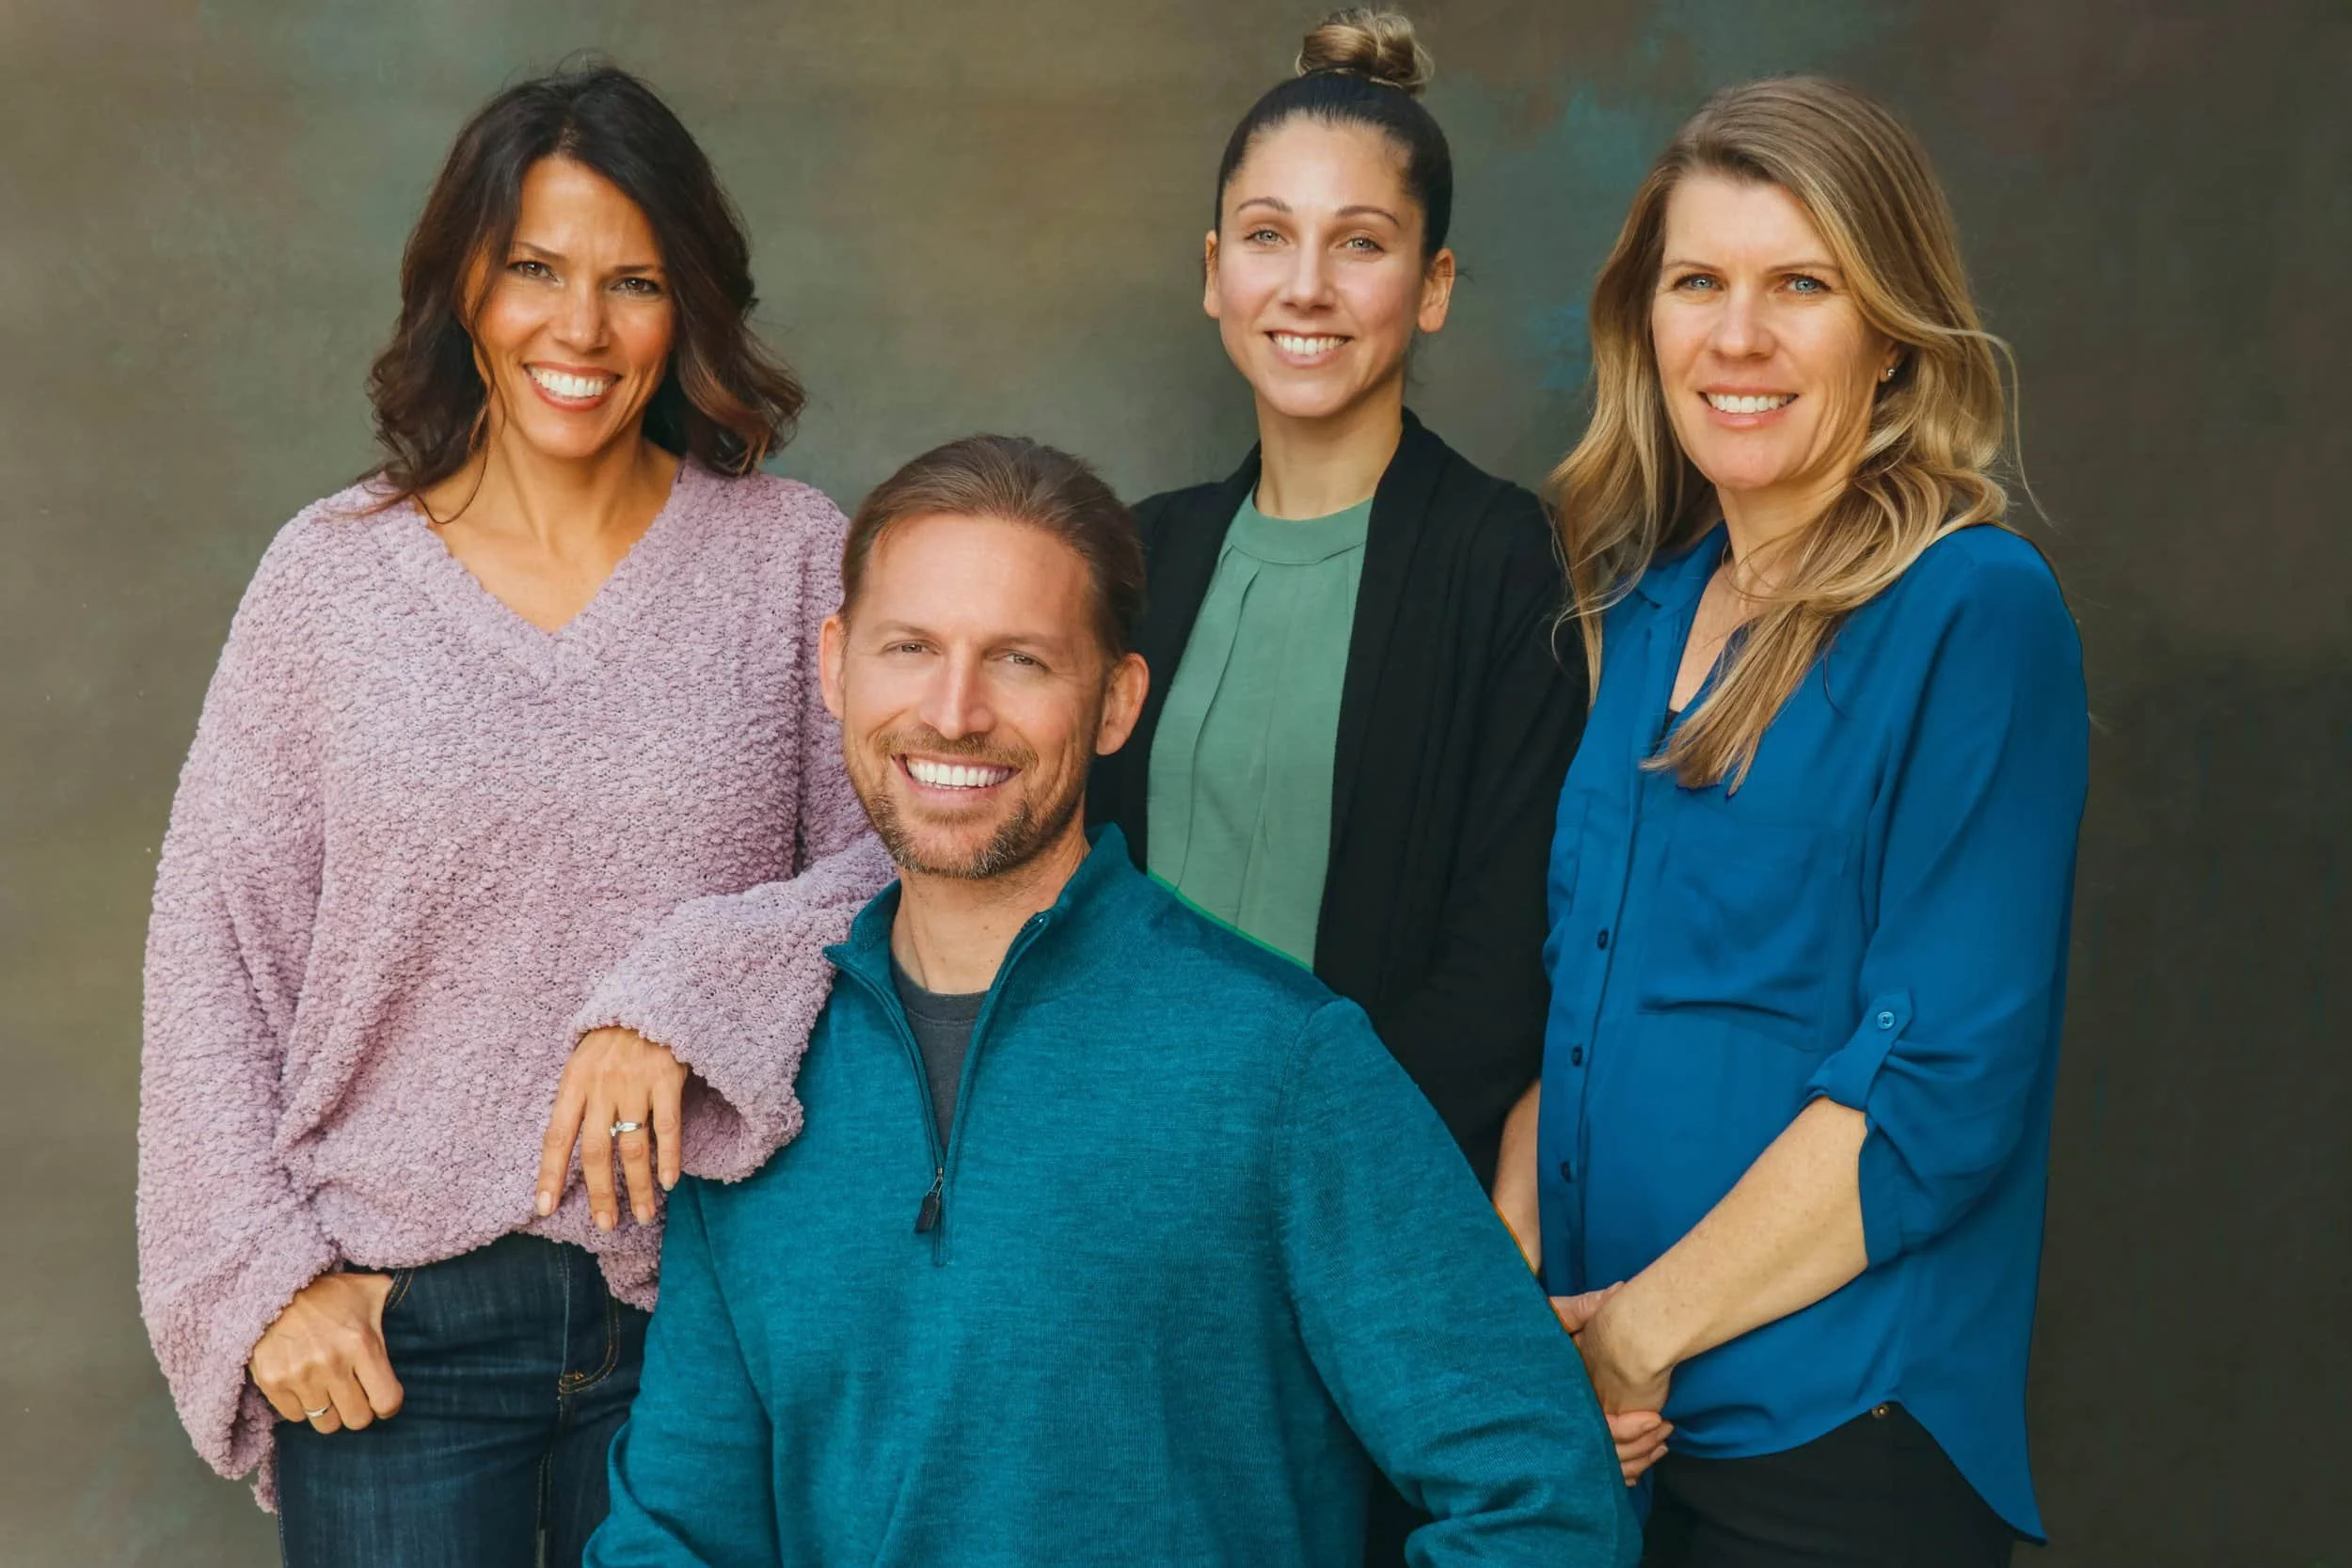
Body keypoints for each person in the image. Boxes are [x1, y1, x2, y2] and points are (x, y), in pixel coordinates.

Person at [583, 435, 1639, 1568]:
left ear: (1118, 699)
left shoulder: (1281, 1063)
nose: (953, 710)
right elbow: (675, 1532)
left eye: (1021, 661)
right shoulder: (754, 1078)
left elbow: (1547, 1503)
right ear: (836, 665)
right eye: (910, 648)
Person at [136, 66, 889, 1566]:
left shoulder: (791, 559)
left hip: (712, 1318)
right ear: (467, 286)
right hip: (398, 1335)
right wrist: (257, 1281)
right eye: (536, 269)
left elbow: (899, 868)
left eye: (634, 282)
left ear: (689, 309)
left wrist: (679, 997)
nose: (582, 329)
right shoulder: (329, 581)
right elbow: (212, 952)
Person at [1511, 77, 2090, 1567]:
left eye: (1802, 285)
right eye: (1698, 281)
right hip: (1613, 1438)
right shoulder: (1641, 617)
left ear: (1890, 327)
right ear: (1648, 318)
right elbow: (1579, 1006)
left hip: (1835, 1443)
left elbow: (1940, 1086)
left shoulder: (1974, 608)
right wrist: (1521, 1302)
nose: (1739, 336)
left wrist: (1635, 1332)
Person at [1088, 8, 1581, 1196]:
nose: (1305, 288)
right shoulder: (1137, 555)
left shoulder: (1508, 561)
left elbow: (1503, 960)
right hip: (1120, 1181)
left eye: (1360, 245)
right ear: (1214, 273)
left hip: (1366, 1199)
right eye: (1267, 236)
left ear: (1434, 285)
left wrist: (1298, 1176)